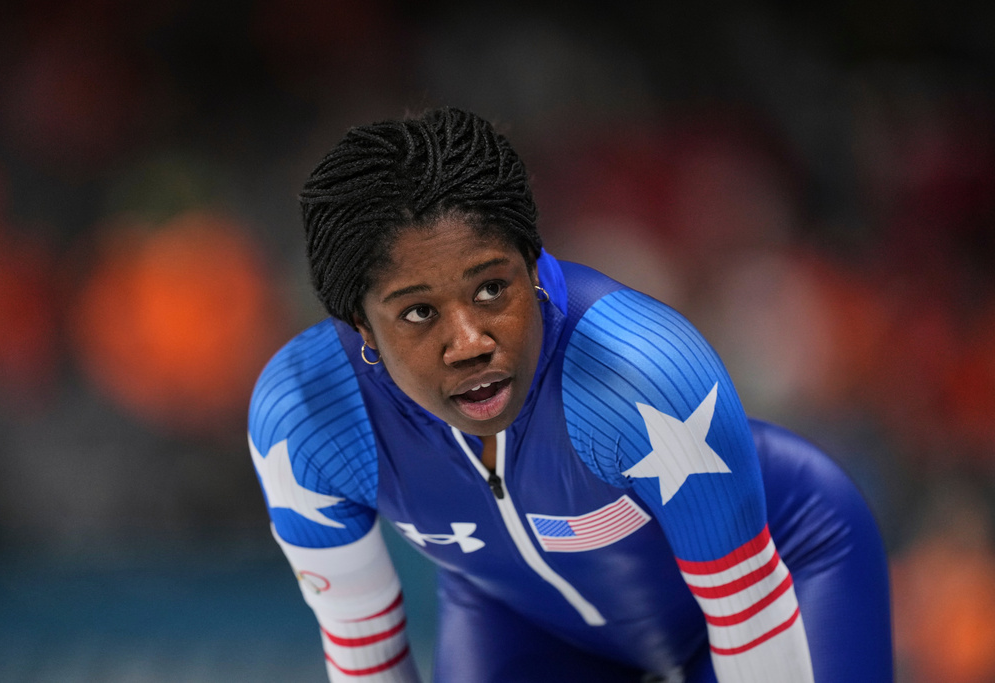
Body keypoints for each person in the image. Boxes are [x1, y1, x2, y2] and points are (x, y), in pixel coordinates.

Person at [247, 107, 893, 682]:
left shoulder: (641, 375)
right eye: (418, 313)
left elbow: (749, 612)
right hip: (528, 631)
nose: (469, 342)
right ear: (360, 327)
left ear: (533, 265)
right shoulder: (305, 421)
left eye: (492, 289)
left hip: (778, 576)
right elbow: (365, 652)